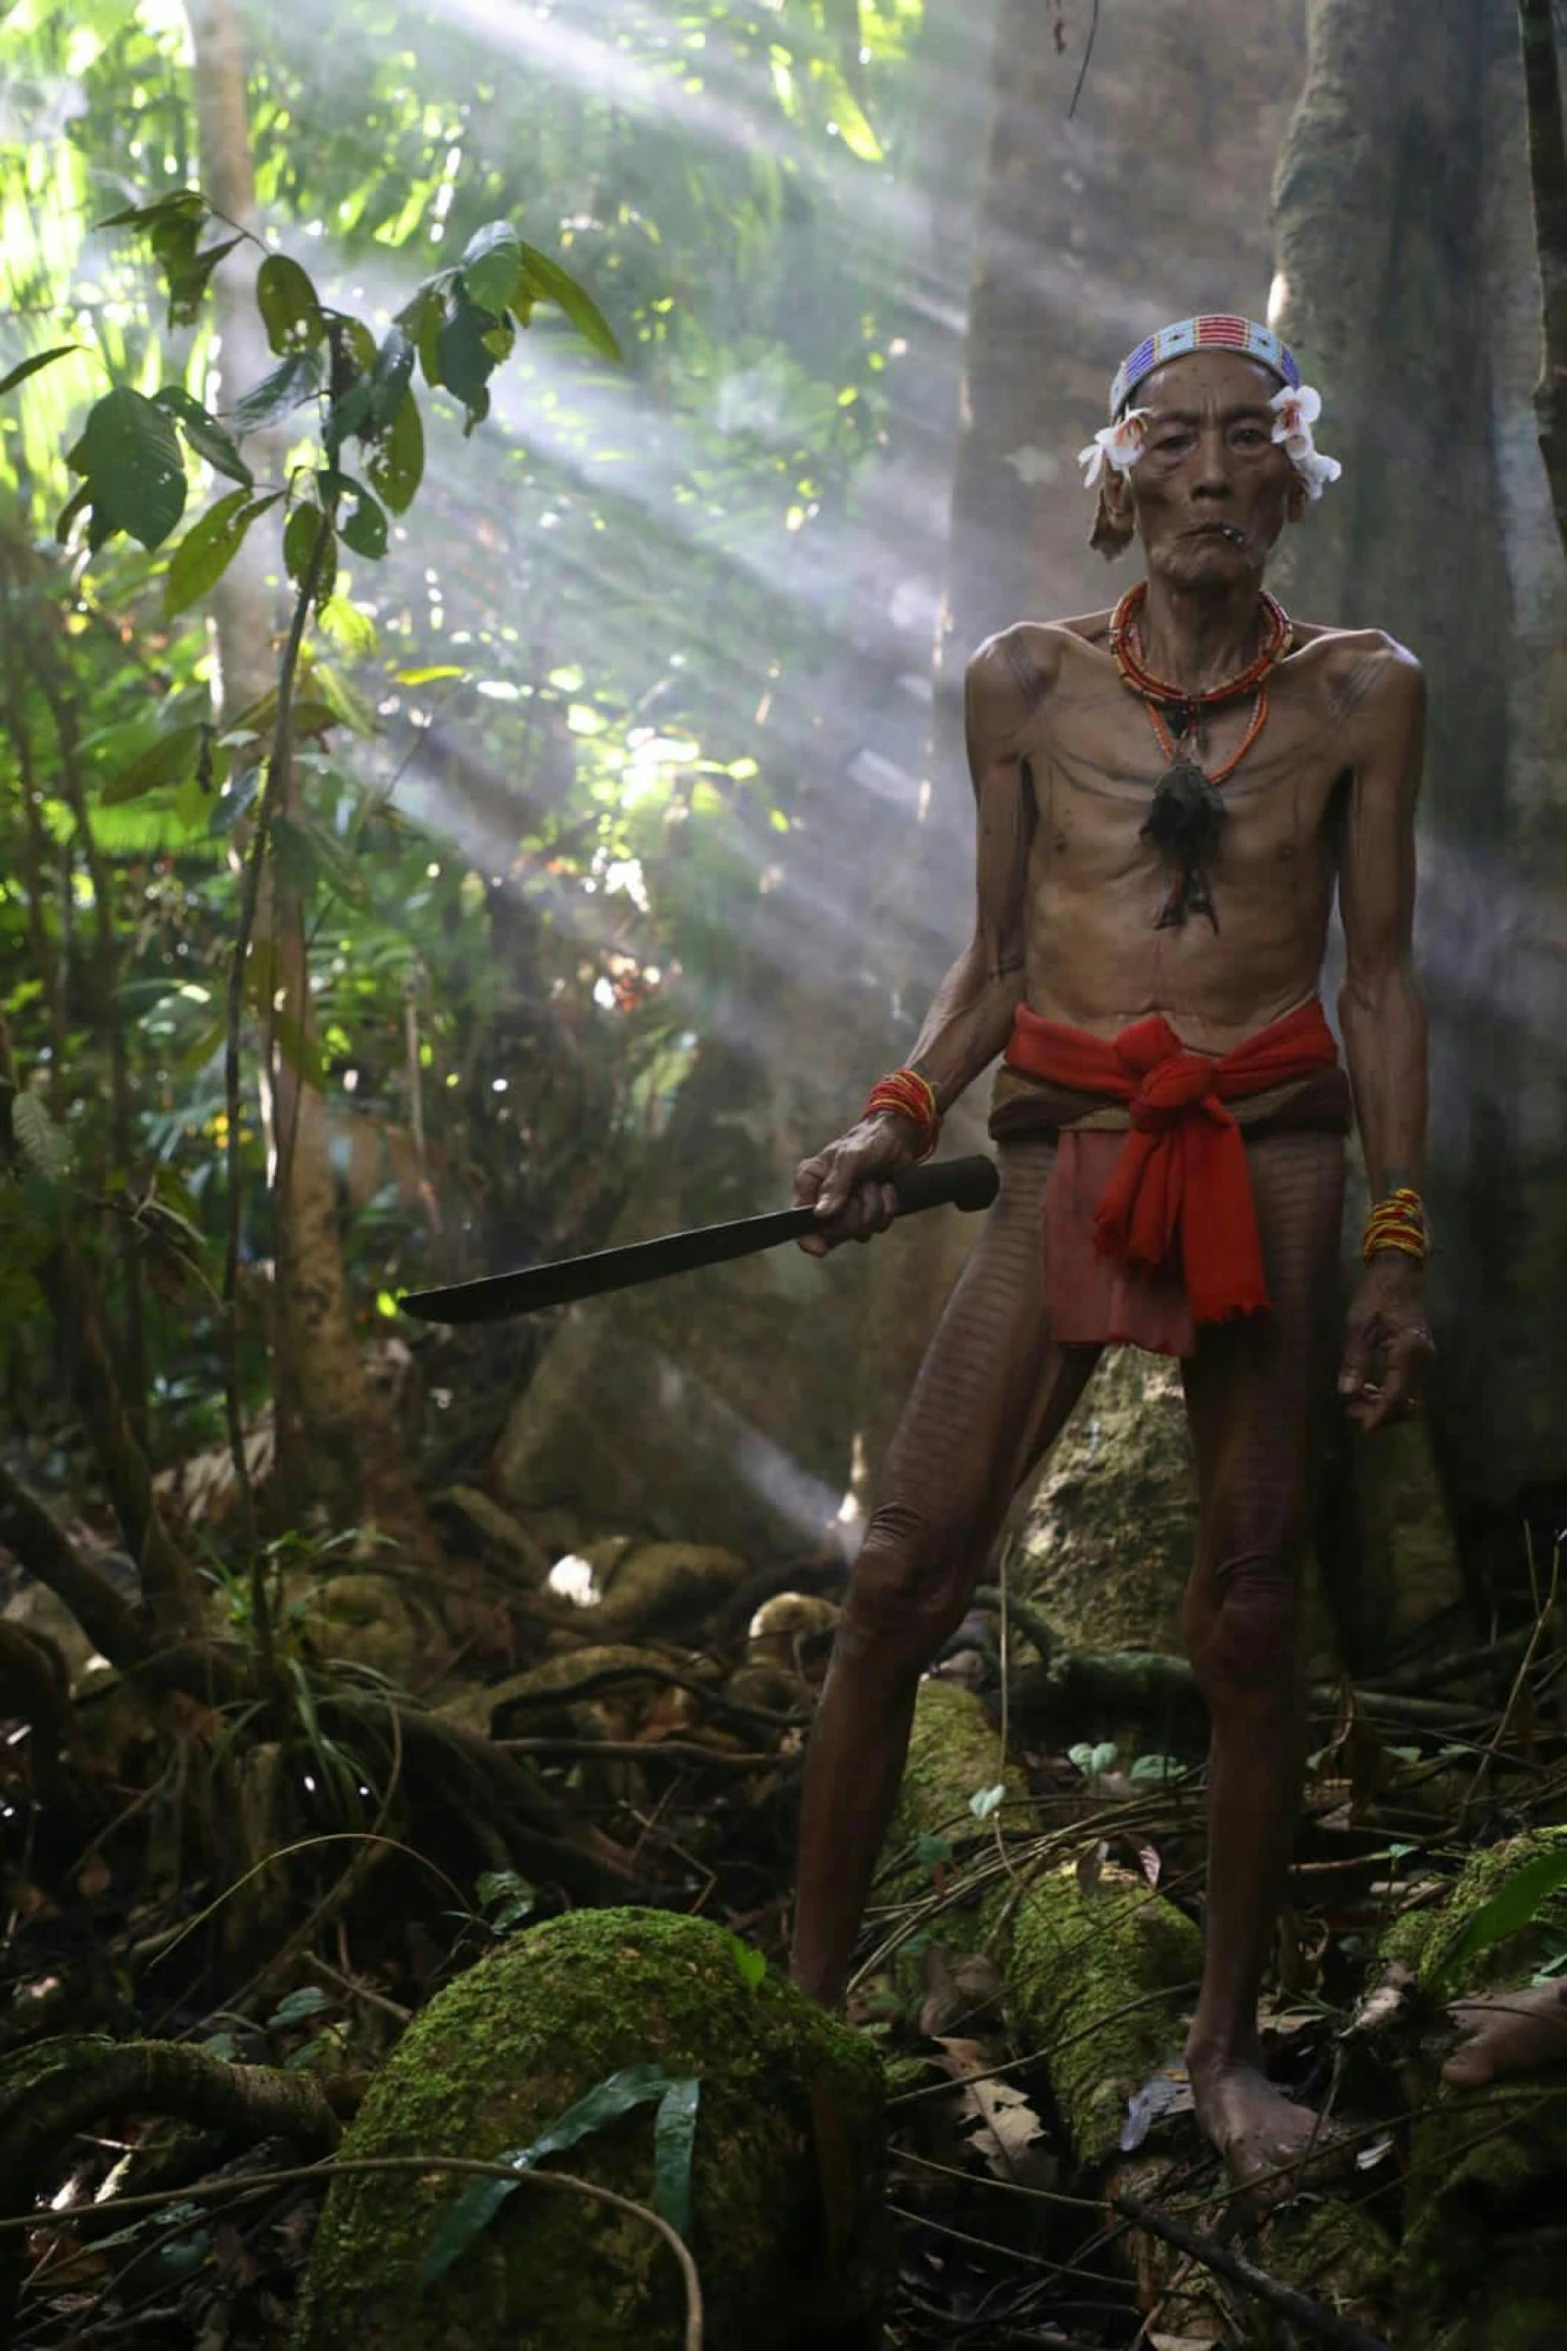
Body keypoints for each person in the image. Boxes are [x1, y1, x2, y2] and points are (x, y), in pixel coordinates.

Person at [787, 313, 1566, 2190]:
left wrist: (1395, 1240)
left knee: (1248, 1615)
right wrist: (891, 1115)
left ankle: (1220, 2052)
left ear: (1296, 473)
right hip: (1067, 1139)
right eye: (1172, 440)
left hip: (1274, 1146)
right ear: (1114, 473)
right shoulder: (1019, 682)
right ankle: (796, 2018)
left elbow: (1373, 982)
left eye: (1246, 440)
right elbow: (988, 964)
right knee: (896, 1575)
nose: (1209, 475)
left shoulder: (1365, 692)